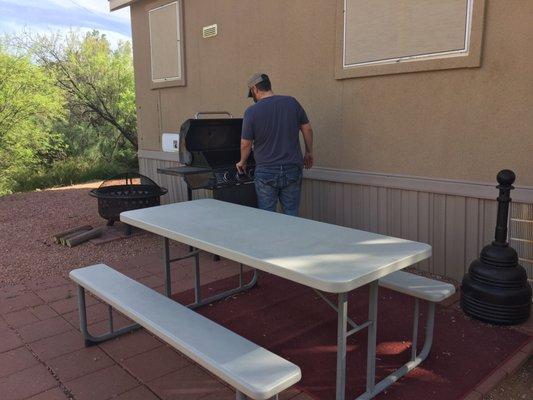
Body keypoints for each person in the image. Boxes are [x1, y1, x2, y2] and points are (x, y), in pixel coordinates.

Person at [236, 73, 314, 216]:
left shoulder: (252, 111)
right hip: (292, 168)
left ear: (255, 89)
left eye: (252, 93)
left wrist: (242, 161)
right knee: (292, 214)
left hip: (266, 171)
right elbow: (307, 129)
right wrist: (309, 152)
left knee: (267, 217)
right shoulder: (292, 102)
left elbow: (245, 143)